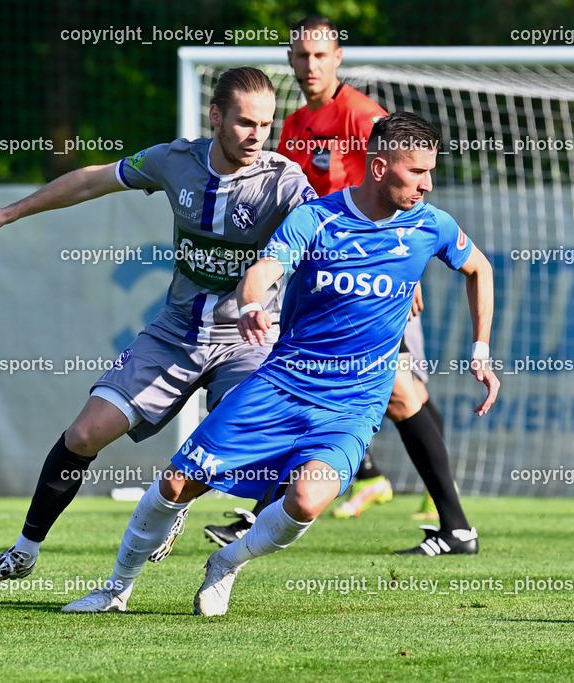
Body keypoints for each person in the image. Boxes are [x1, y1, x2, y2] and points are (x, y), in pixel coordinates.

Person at [60, 111, 500, 615]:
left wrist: (481, 351)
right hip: (281, 385)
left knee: (306, 501)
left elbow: (479, 269)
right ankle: (115, 590)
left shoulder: (431, 225)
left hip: (353, 405)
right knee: (177, 484)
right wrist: (251, 304)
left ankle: (226, 563)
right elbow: (264, 269)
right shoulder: (317, 218)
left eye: (430, 172)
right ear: (380, 168)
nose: (427, 184)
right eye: (417, 171)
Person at [0, 67, 317, 596]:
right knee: (83, 435)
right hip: (175, 333)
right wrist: (7, 213)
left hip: (249, 340)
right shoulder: (175, 161)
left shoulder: (285, 182)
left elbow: (326, 235)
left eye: (265, 124)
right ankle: (23, 552)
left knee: (245, 439)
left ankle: (182, 506)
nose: (256, 135)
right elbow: (91, 180)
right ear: (216, 116)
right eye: (245, 122)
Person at [204, 15, 475, 556]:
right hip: (322, 283)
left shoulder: (361, 114)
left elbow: (400, 189)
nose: (310, 66)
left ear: (338, 58)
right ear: (289, 59)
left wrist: (403, 265)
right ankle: (433, 513)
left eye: (320, 55)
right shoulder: (294, 124)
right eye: (301, 56)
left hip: (372, 281)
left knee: (400, 392)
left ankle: (450, 520)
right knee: (349, 387)